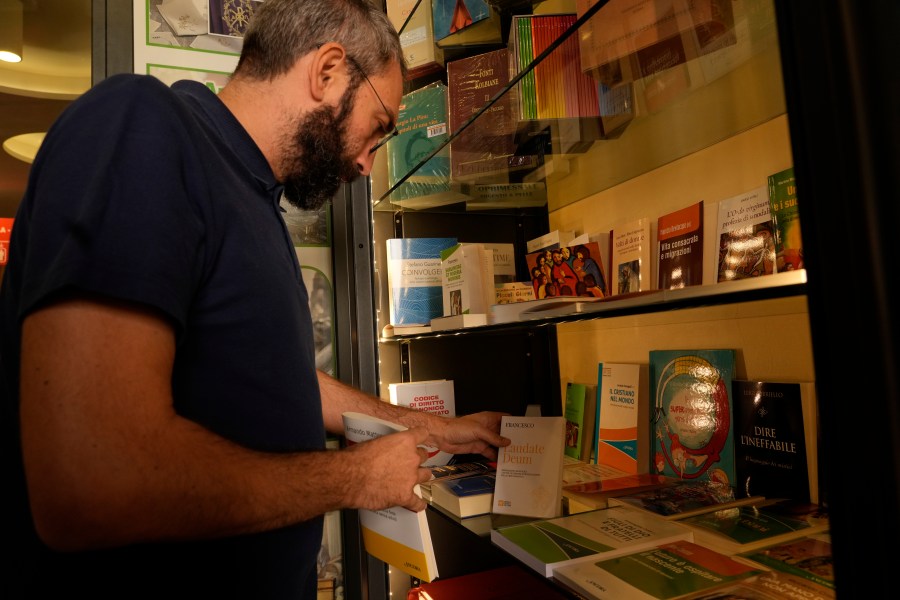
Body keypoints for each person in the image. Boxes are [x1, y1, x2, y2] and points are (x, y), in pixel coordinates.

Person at [0, 1, 510, 597]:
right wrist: (352, 478)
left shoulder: (254, 200)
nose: (367, 164)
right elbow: (91, 480)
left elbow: (269, 380)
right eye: (377, 127)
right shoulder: (141, 124)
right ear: (327, 71)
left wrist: (424, 428)